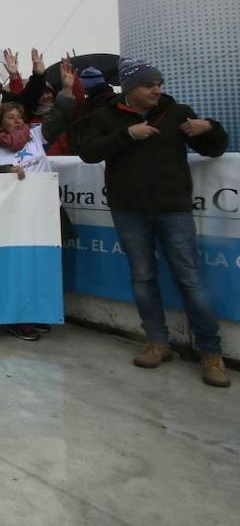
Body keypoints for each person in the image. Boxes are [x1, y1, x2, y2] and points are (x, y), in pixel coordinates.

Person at [77, 58, 230, 387]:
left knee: (189, 279)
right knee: (143, 277)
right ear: (130, 90)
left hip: (173, 209)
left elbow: (216, 148)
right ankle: (157, 342)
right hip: (128, 210)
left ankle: (211, 352)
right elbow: (88, 151)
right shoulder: (105, 116)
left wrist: (209, 127)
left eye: (159, 83)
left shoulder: (177, 112)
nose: (157, 89)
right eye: (149, 85)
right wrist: (128, 135)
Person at [0, 58, 76, 177]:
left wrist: (67, 89)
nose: (18, 120)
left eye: (20, 117)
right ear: (0, 125)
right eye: (11, 117)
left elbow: (59, 117)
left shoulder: (36, 135)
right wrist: (6, 171)